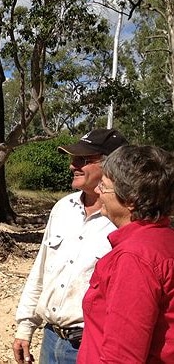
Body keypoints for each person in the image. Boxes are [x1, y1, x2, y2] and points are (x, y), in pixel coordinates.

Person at [12, 129, 128, 364]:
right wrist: (25, 328)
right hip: (51, 338)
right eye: (73, 159)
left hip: (93, 345)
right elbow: (41, 271)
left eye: (83, 160)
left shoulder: (125, 221)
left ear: (112, 167)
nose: (72, 166)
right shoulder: (62, 208)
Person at [77, 145, 174, 363]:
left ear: (130, 200)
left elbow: (121, 357)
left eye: (104, 186)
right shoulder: (163, 241)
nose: (98, 191)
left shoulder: (134, 257)